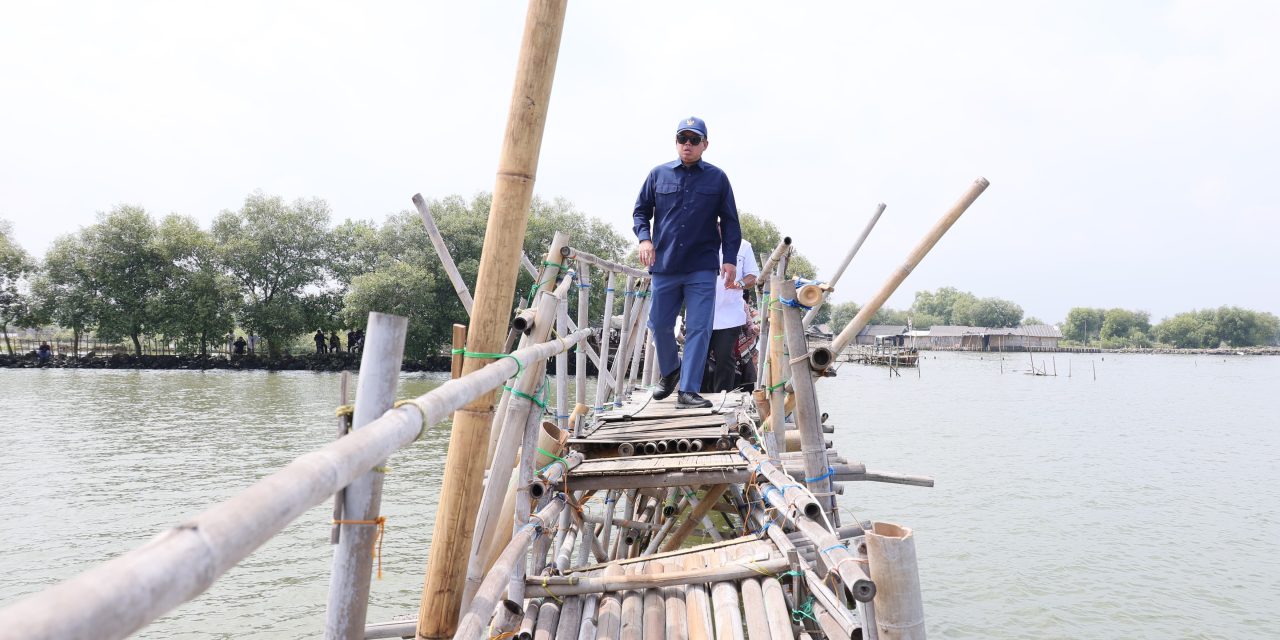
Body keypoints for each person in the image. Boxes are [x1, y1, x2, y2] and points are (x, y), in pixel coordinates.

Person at [633, 115, 741, 409]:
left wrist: (730, 260)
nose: (688, 145)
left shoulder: (717, 178)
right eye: (683, 139)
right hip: (665, 265)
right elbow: (640, 212)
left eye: (695, 140)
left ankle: (688, 391)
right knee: (658, 324)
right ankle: (670, 370)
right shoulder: (658, 175)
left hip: (702, 267)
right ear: (676, 142)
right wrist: (644, 239)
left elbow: (731, 223)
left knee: (699, 327)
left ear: (705, 144)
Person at [707, 237, 759, 392]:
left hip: (730, 316)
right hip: (700, 312)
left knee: (725, 359)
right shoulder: (699, 237)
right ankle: (693, 396)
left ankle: (721, 400)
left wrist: (738, 284)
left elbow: (752, 277)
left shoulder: (744, 246)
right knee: (696, 359)